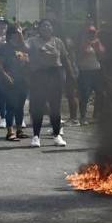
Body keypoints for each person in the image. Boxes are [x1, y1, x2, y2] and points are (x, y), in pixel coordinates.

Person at [25, 19, 72, 148]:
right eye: (44, 26)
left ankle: (57, 135)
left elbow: (65, 58)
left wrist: (71, 76)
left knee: (55, 107)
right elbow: (23, 47)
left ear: (52, 28)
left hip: (55, 74)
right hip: (39, 75)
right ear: (39, 29)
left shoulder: (58, 41)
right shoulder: (33, 41)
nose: (46, 28)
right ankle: (36, 136)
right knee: (38, 107)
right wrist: (19, 34)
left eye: (49, 25)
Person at [0, 24, 30, 142]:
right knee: (11, 106)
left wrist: (21, 36)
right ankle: (10, 131)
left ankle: (19, 130)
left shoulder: (23, 47)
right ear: (10, 34)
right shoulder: (4, 47)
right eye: (16, 33)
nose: (18, 35)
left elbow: (28, 57)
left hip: (23, 80)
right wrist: (5, 75)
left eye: (20, 33)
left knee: (20, 107)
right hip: (10, 80)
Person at [75, 25, 105, 125]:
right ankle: (83, 117)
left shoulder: (97, 42)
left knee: (100, 93)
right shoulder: (82, 42)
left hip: (97, 71)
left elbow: (102, 53)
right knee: (85, 94)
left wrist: (96, 45)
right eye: (90, 33)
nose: (91, 35)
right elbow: (81, 55)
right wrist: (88, 45)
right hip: (85, 72)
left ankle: (96, 115)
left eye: (93, 33)